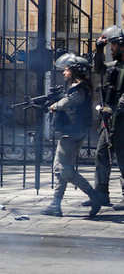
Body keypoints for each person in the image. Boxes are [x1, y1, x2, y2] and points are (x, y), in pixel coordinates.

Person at [40, 53, 106, 217]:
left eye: (67, 69)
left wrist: (54, 106)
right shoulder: (79, 87)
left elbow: (69, 102)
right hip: (73, 131)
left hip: (72, 133)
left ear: (75, 71)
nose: (64, 72)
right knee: (60, 168)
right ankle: (55, 204)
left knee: (63, 169)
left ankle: (94, 195)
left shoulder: (79, 89)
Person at [86, 25, 124, 208]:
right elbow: (99, 68)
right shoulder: (115, 67)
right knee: (101, 155)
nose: (112, 49)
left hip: (122, 120)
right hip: (111, 120)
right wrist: (98, 49)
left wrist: (116, 109)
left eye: (113, 46)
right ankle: (101, 194)